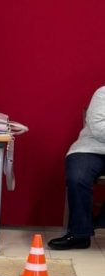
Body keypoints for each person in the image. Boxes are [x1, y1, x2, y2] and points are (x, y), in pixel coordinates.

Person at [49, 86, 105, 250]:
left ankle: (99, 221)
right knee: (78, 176)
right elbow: (97, 127)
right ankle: (80, 234)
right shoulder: (102, 93)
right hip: (91, 149)